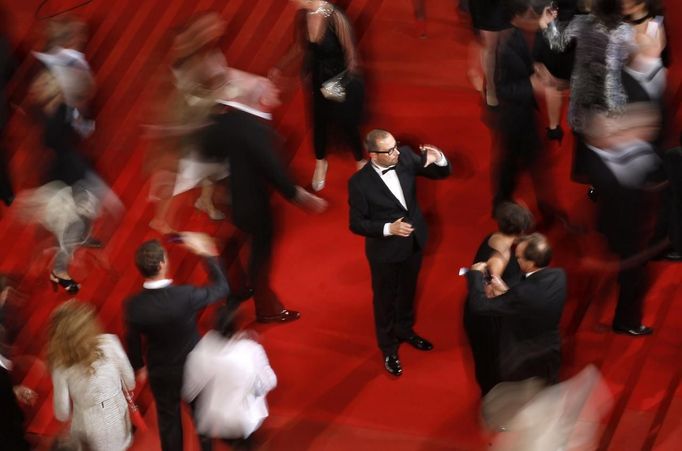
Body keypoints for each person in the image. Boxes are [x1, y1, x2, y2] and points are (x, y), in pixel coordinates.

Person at [200, 71, 327, 324]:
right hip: (253, 205)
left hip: (232, 200)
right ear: (260, 100)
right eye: (270, 89)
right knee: (260, 254)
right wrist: (299, 196)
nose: (276, 91)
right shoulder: (255, 129)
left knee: (238, 242)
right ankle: (265, 306)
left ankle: (236, 287)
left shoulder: (228, 120)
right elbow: (274, 170)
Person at [348, 129, 451, 376]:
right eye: (389, 150)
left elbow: (440, 173)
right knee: (384, 300)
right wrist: (388, 228)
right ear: (373, 155)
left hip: (413, 242)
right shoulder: (359, 183)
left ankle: (405, 330)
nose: (396, 153)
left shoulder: (403, 157)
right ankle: (388, 347)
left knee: (408, 289)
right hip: (384, 252)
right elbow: (356, 223)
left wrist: (440, 159)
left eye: (396, 146)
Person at [125, 233, 229, 451]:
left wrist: (139, 366)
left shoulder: (133, 305)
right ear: (163, 263)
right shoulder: (185, 295)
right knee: (202, 417)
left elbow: (132, 340)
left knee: (169, 424)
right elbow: (221, 288)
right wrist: (206, 254)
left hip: (160, 370)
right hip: (194, 367)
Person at [272, 0, 365, 191]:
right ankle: (321, 162)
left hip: (337, 78)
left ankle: (360, 159)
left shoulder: (335, 17)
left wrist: (339, 85)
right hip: (316, 78)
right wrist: (279, 66)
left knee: (346, 121)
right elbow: (299, 47)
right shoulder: (303, 16)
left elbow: (351, 56)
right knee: (318, 120)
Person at [539, 0, 635, 184]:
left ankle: (589, 178)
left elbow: (558, 44)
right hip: (611, 94)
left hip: (584, 92)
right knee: (608, 139)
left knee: (584, 137)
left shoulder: (581, 23)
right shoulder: (626, 31)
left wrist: (547, 24)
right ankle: (601, 180)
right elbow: (631, 62)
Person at [493, 0, 566, 223]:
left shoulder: (526, 38)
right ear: (516, 18)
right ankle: (504, 204)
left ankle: (544, 209)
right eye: (530, 16)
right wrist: (531, 84)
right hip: (513, 118)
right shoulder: (505, 47)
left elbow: (540, 58)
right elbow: (502, 88)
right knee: (512, 166)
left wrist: (538, 72)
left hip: (526, 116)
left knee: (530, 164)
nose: (535, 19)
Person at [467, 233, 566, 384]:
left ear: (531, 262)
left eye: (519, 258)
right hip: (550, 354)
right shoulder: (559, 276)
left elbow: (479, 306)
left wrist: (475, 275)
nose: (517, 260)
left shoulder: (523, 293)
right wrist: (507, 292)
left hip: (523, 361)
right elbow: (532, 303)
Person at [464, 202, 534, 396]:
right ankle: (493, 400)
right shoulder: (500, 256)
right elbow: (489, 291)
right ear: (520, 230)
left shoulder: (493, 238)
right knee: (492, 363)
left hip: (488, 315)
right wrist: (512, 295)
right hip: (489, 318)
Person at [183, 308, 276, 450]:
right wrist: (251, 396)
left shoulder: (201, 351)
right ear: (237, 328)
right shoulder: (251, 350)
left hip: (216, 422)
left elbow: (189, 392)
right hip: (245, 420)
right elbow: (270, 381)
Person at [48, 300, 135, 451]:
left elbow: (62, 412)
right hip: (117, 410)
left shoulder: (60, 364)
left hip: (88, 423)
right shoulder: (110, 342)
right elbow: (130, 381)